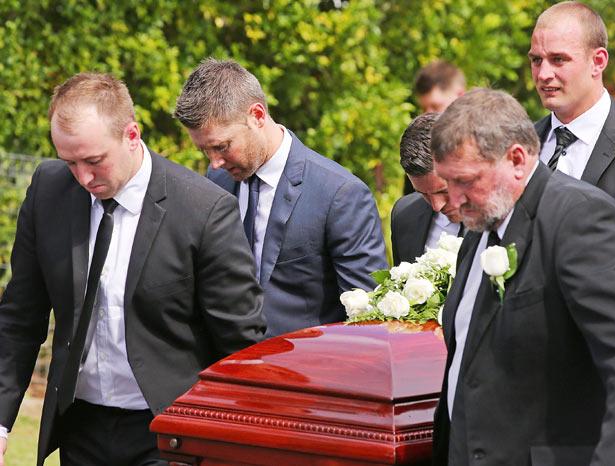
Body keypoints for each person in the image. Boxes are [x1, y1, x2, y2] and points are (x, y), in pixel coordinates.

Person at [0, 73, 265, 466]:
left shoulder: (203, 210)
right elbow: (20, 317)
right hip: (79, 427)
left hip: (168, 431)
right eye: (69, 162)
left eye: (94, 161)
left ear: (131, 134)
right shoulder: (48, 191)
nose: (83, 178)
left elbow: (239, 341)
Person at [431, 88, 615, 465]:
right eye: (448, 182)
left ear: (518, 160)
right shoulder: (481, 227)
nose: (452, 202)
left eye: (466, 181)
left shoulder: (582, 219)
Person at [174, 58, 388, 338]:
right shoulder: (217, 181)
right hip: (230, 367)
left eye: (222, 147)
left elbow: (366, 316)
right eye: (205, 151)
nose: (214, 162)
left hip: (307, 369)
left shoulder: (340, 194)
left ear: (258, 116)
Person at [530, 1, 615, 217]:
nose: (543, 74)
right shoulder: (525, 142)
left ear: (598, 61)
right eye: (536, 60)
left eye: (558, 59)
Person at [391, 113, 463, 265]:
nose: (437, 206)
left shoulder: (500, 214)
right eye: (423, 194)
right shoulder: (404, 215)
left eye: (443, 191)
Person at [403, 60, 467, 196]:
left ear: (460, 96)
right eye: (423, 108)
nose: (427, 114)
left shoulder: (487, 145)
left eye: (436, 106)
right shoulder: (418, 150)